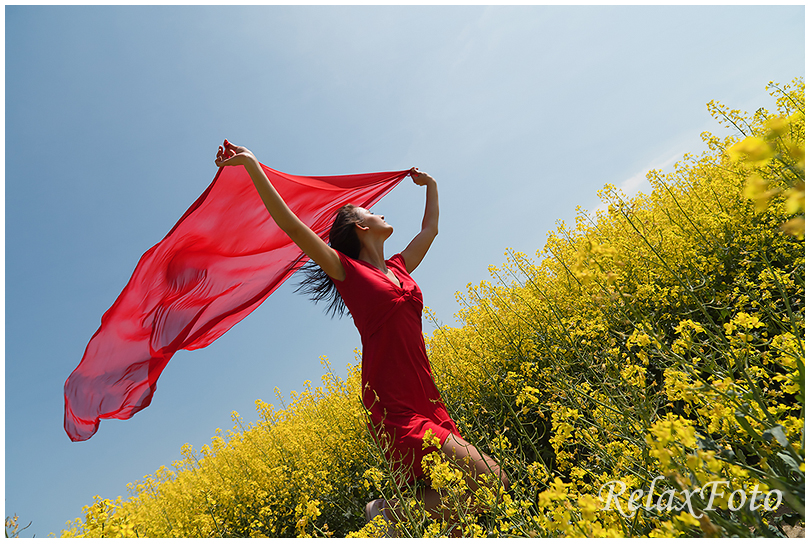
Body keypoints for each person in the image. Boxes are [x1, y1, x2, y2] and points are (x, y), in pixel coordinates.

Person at [214, 140, 509, 533]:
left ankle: (399, 520)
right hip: (394, 404)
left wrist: (432, 184)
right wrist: (253, 166)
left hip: (427, 396)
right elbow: (290, 225)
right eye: (373, 211)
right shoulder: (346, 273)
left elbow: (431, 229)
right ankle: (386, 513)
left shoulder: (399, 267)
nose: (382, 211)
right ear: (362, 227)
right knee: (493, 479)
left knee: (464, 506)